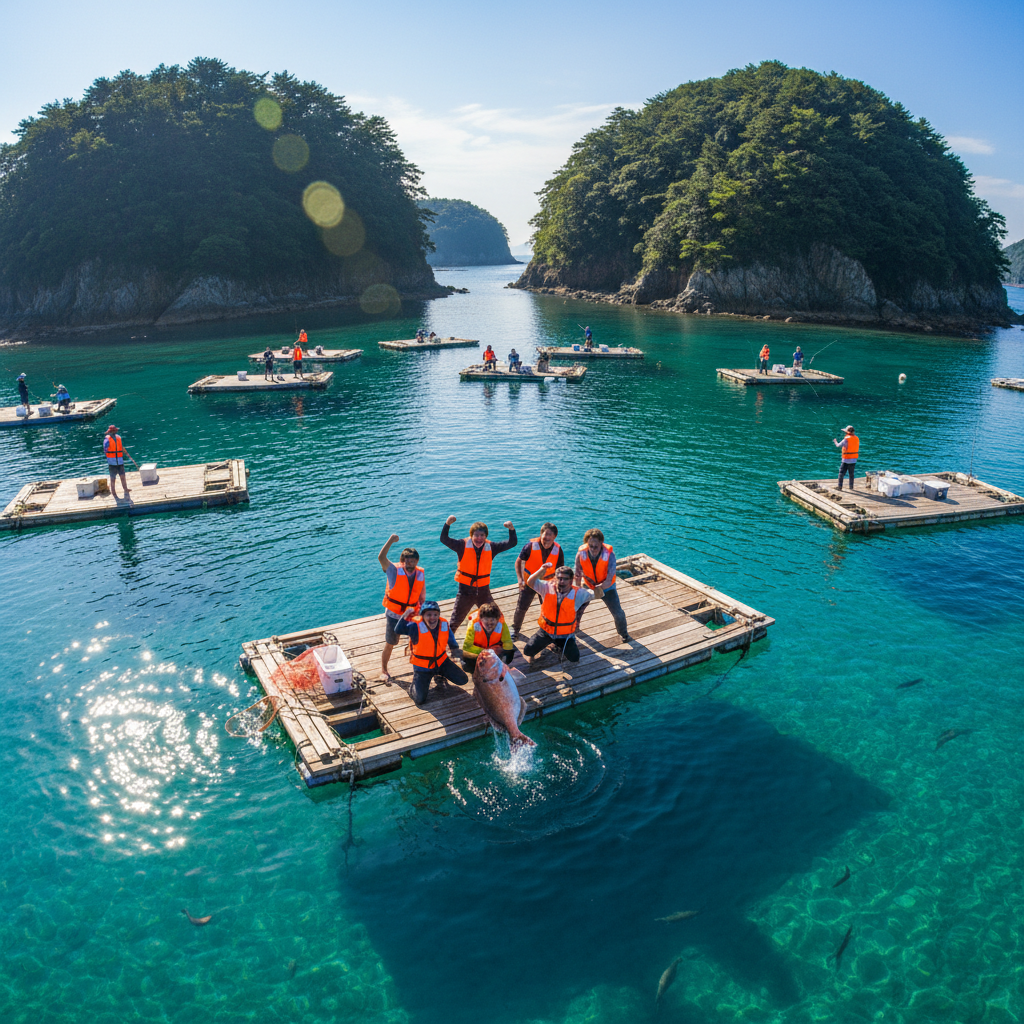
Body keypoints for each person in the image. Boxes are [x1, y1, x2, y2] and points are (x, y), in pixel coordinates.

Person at [441, 515, 518, 631]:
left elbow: (512, 543)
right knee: (455, 620)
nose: (479, 538)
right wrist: (447, 524)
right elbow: (444, 539)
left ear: (486, 536)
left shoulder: (492, 547)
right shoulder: (461, 545)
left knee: (496, 615)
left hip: (483, 591)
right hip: (465, 591)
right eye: (476, 535)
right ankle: (447, 644)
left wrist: (511, 529)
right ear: (471, 535)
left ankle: (502, 640)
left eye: (482, 535)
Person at [389, 600, 468, 704]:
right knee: (419, 700)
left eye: (435, 614)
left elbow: (452, 641)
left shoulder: (444, 624)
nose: (432, 618)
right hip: (423, 668)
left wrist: (456, 651)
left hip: (442, 662)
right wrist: (406, 614)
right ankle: (414, 686)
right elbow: (398, 630)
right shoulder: (414, 626)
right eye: (428, 615)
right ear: (422, 616)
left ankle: (439, 675)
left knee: (463, 680)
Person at [522, 564, 594, 666]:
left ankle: (560, 645)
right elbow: (530, 581)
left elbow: (597, 594)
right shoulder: (546, 588)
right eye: (559, 578)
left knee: (574, 658)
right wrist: (541, 569)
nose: (562, 581)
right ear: (555, 579)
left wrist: (600, 587)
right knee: (528, 651)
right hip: (546, 631)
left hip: (565, 634)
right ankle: (549, 645)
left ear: (571, 580)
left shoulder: (579, 593)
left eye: (565, 579)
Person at [378, 534, 425, 682]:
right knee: (391, 643)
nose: (410, 562)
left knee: (418, 640)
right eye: (407, 560)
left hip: (412, 613)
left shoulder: (420, 573)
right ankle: (384, 670)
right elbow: (381, 558)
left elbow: (421, 595)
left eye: (413, 560)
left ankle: (420, 667)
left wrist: (421, 609)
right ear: (402, 560)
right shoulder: (393, 571)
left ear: (417, 561)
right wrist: (391, 540)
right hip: (394, 614)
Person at [574, 528, 630, 642]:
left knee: (617, 612)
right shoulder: (581, 553)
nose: (593, 549)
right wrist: (578, 589)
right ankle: (574, 627)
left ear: (601, 544)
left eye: (596, 546)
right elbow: (578, 573)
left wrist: (599, 589)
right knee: (575, 607)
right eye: (590, 546)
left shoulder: (610, 555)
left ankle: (623, 633)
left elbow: (609, 578)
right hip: (588, 584)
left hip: (607, 587)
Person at [512, 522, 564, 637]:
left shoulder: (558, 550)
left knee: (549, 608)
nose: (546, 538)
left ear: (554, 537)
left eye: (550, 536)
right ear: (541, 534)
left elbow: (560, 569)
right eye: (545, 535)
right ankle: (515, 629)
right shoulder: (530, 546)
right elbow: (518, 562)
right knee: (521, 607)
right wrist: (520, 579)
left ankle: (548, 631)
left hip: (547, 584)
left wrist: (558, 584)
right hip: (529, 582)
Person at [461, 602, 514, 671]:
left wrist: (506, 652)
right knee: (468, 667)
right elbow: (467, 647)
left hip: (494, 650)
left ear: (497, 619)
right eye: (486, 619)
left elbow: (507, 641)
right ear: (480, 619)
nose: (489, 623)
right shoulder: (473, 626)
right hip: (479, 651)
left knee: (509, 654)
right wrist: (486, 652)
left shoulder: (502, 625)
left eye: (492, 620)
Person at [103, 424, 131, 500]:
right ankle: (113, 492)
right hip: (112, 462)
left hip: (119, 461)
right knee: (113, 478)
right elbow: (105, 449)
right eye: (115, 430)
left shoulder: (118, 437)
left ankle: (125, 489)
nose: (116, 431)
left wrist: (123, 450)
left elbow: (120, 446)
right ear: (112, 431)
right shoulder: (107, 439)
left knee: (122, 476)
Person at [833, 425, 859, 491]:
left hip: (846, 459)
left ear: (847, 432)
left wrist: (835, 441)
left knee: (841, 473)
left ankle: (839, 487)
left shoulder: (846, 439)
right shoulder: (856, 438)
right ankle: (851, 487)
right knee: (851, 474)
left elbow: (838, 445)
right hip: (853, 460)